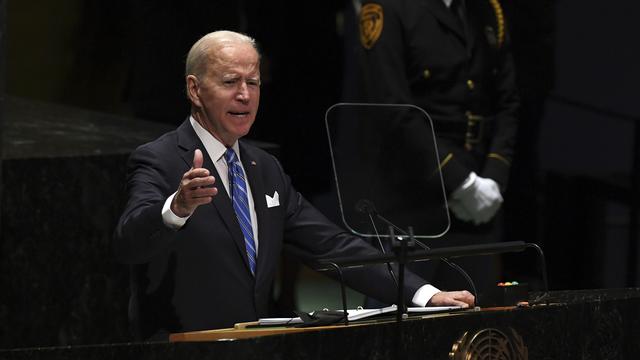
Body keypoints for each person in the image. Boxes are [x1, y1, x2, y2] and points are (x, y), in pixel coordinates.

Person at [113, 30, 474, 339]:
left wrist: (423, 293)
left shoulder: (264, 168)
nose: (244, 95)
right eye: (229, 82)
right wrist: (176, 209)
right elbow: (129, 243)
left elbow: (333, 246)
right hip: (185, 348)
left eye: (252, 82)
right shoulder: (158, 160)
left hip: (257, 347)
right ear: (194, 89)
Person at [355, 0, 520, 298]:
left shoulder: (487, 10)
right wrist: (460, 182)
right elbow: (392, 108)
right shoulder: (389, 8)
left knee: (477, 328)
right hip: (412, 200)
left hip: (478, 201)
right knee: (401, 322)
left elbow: (507, 103)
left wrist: (493, 177)